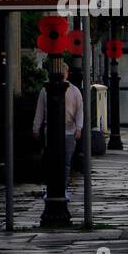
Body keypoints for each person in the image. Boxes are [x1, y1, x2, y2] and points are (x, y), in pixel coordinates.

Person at [32, 60, 84, 190]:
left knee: (66, 161)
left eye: (63, 72)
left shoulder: (75, 91)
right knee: (52, 159)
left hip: (69, 131)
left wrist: (79, 128)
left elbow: (79, 111)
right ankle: (53, 184)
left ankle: (63, 185)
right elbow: (40, 110)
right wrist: (36, 127)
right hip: (51, 130)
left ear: (67, 73)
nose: (61, 74)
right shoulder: (45, 91)